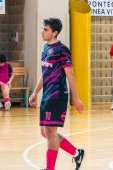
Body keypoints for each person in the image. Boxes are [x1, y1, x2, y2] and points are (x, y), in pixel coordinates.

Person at [29, 18, 86, 170]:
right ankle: (76, 152)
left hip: (58, 94)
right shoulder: (45, 48)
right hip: (47, 94)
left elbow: (70, 75)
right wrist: (35, 92)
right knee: (45, 132)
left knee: (50, 132)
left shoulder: (62, 50)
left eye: (46, 29)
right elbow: (45, 73)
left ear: (55, 33)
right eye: (43, 28)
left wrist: (76, 99)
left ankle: (50, 168)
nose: (42, 31)